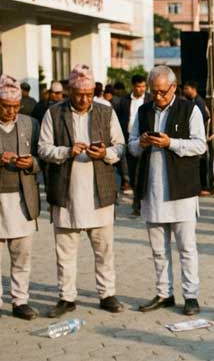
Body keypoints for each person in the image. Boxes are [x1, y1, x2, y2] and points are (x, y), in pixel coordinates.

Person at [38, 64, 126, 318]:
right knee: (65, 251)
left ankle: (107, 293)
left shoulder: (106, 112)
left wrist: (105, 153)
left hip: (100, 192)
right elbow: (43, 148)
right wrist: (66, 151)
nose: (84, 100)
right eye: (79, 94)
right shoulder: (54, 113)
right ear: (69, 91)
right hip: (66, 192)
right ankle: (67, 297)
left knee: (104, 249)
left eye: (89, 94)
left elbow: (120, 146)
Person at [131, 66, 206, 316]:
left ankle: (191, 295)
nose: (158, 97)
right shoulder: (143, 111)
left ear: (174, 88)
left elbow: (200, 146)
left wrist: (170, 143)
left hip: (182, 190)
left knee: (186, 248)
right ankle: (164, 293)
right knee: (158, 249)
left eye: (162, 92)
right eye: (154, 92)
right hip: (152, 190)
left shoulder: (189, 109)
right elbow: (131, 146)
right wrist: (141, 143)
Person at [0, 76, 41, 320]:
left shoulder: (30, 124)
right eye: (6, 106)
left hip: (22, 198)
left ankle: (20, 300)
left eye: (16, 107)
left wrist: (32, 163)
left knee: (22, 253)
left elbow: (42, 156)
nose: (11, 111)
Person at [115, 75, 151, 208]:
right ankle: (136, 198)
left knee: (144, 170)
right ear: (133, 86)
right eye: (138, 86)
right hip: (128, 138)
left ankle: (141, 200)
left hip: (145, 139)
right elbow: (119, 118)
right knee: (131, 169)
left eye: (143, 86)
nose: (141, 89)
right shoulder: (124, 101)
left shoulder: (150, 99)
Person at [182, 81, 211, 195]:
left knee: (201, 163)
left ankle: (203, 187)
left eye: (187, 88)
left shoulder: (199, 102)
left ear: (193, 89)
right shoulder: (190, 101)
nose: (184, 91)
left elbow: (203, 120)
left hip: (199, 137)